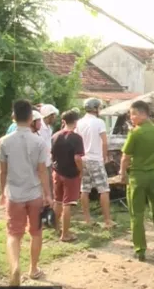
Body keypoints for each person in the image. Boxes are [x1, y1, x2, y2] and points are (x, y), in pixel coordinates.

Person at [0, 99, 52, 285]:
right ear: (31, 118)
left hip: (14, 195)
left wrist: (2, 193)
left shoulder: (4, 141)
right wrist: (48, 194)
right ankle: (33, 269)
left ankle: (15, 267)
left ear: (14, 116)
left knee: (13, 234)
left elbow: (2, 171)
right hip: (34, 194)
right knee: (36, 232)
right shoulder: (39, 142)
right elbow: (43, 170)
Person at [119, 100, 154, 261]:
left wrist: (122, 174)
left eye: (133, 114)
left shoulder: (135, 133)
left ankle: (140, 249)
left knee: (137, 213)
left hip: (137, 177)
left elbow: (125, 157)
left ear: (142, 114)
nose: (131, 117)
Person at [76, 98, 114, 228]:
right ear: (96, 108)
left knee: (84, 189)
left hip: (83, 159)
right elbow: (104, 142)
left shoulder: (79, 123)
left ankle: (87, 219)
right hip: (96, 159)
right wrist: (104, 158)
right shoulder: (99, 122)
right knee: (103, 189)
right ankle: (107, 220)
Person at [50, 110, 84, 242]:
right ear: (76, 122)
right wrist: (81, 171)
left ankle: (56, 228)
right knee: (67, 204)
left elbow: (52, 155)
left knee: (57, 201)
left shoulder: (55, 136)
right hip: (71, 174)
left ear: (63, 121)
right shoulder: (76, 138)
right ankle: (65, 234)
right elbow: (77, 158)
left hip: (57, 172)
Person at [40, 104, 59, 198]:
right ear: (49, 115)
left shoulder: (49, 129)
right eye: (54, 115)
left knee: (50, 185)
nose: (55, 118)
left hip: (48, 161)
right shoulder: (40, 128)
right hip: (41, 162)